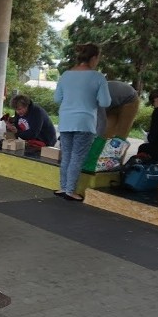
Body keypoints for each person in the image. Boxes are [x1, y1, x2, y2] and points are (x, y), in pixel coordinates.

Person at [53, 43, 111, 201]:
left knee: (66, 156)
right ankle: (70, 191)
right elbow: (105, 102)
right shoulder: (98, 77)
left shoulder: (65, 75)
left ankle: (63, 187)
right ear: (93, 58)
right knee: (77, 157)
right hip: (85, 122)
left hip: (65, 121)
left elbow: (57, 98)